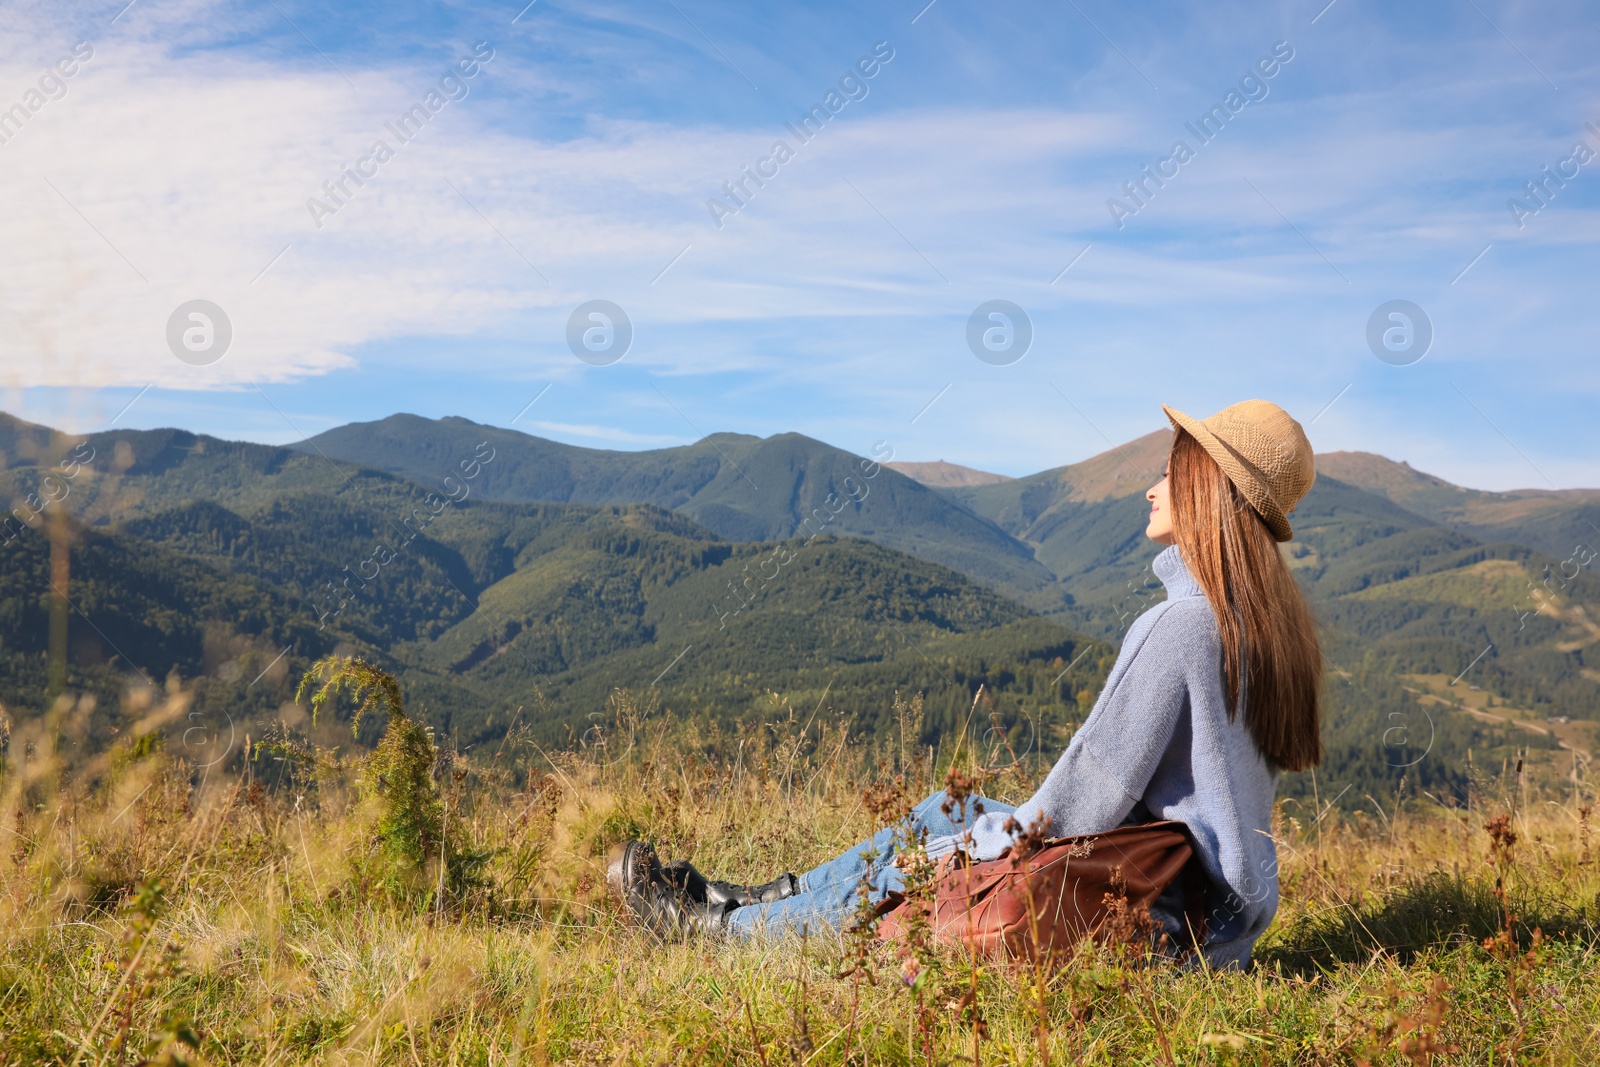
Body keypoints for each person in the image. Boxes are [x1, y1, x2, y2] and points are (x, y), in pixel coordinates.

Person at [608, 399, 1323, 969]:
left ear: (1206, 488)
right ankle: (763, 901)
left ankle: (734, 935)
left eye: (1171, 471)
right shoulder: (1262, 629)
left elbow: (1081, 800)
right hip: (1209, 920)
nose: (1152, 486)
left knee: (946, 837)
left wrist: (970, 841)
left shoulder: (1178, 629)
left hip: (1148, 915)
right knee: (946, 808)